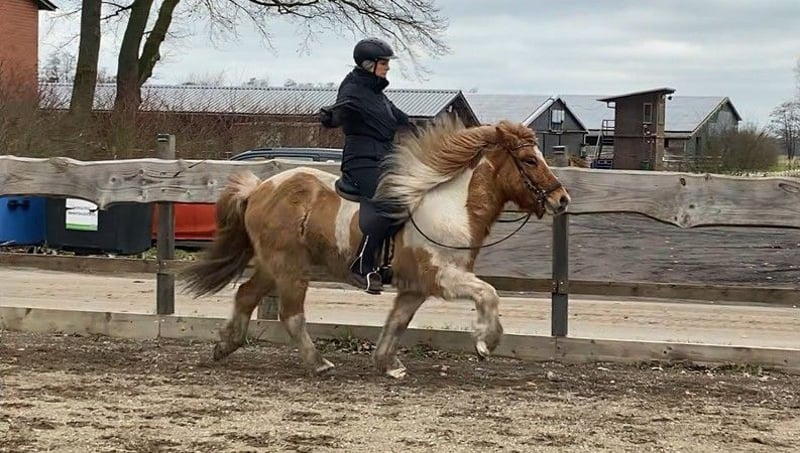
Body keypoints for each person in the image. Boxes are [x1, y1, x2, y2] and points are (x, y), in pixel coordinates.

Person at [319, 37, 414, 295]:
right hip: (361, 160)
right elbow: (342, 110)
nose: (388, 67)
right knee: (389, 203)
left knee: (409, 199)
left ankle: (386, 263)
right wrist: (330, 117)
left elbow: (402, 121)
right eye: (384, 63)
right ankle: (361, 266)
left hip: (383, 158)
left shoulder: (377, 94)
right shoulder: (352, 88)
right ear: (369, 64)